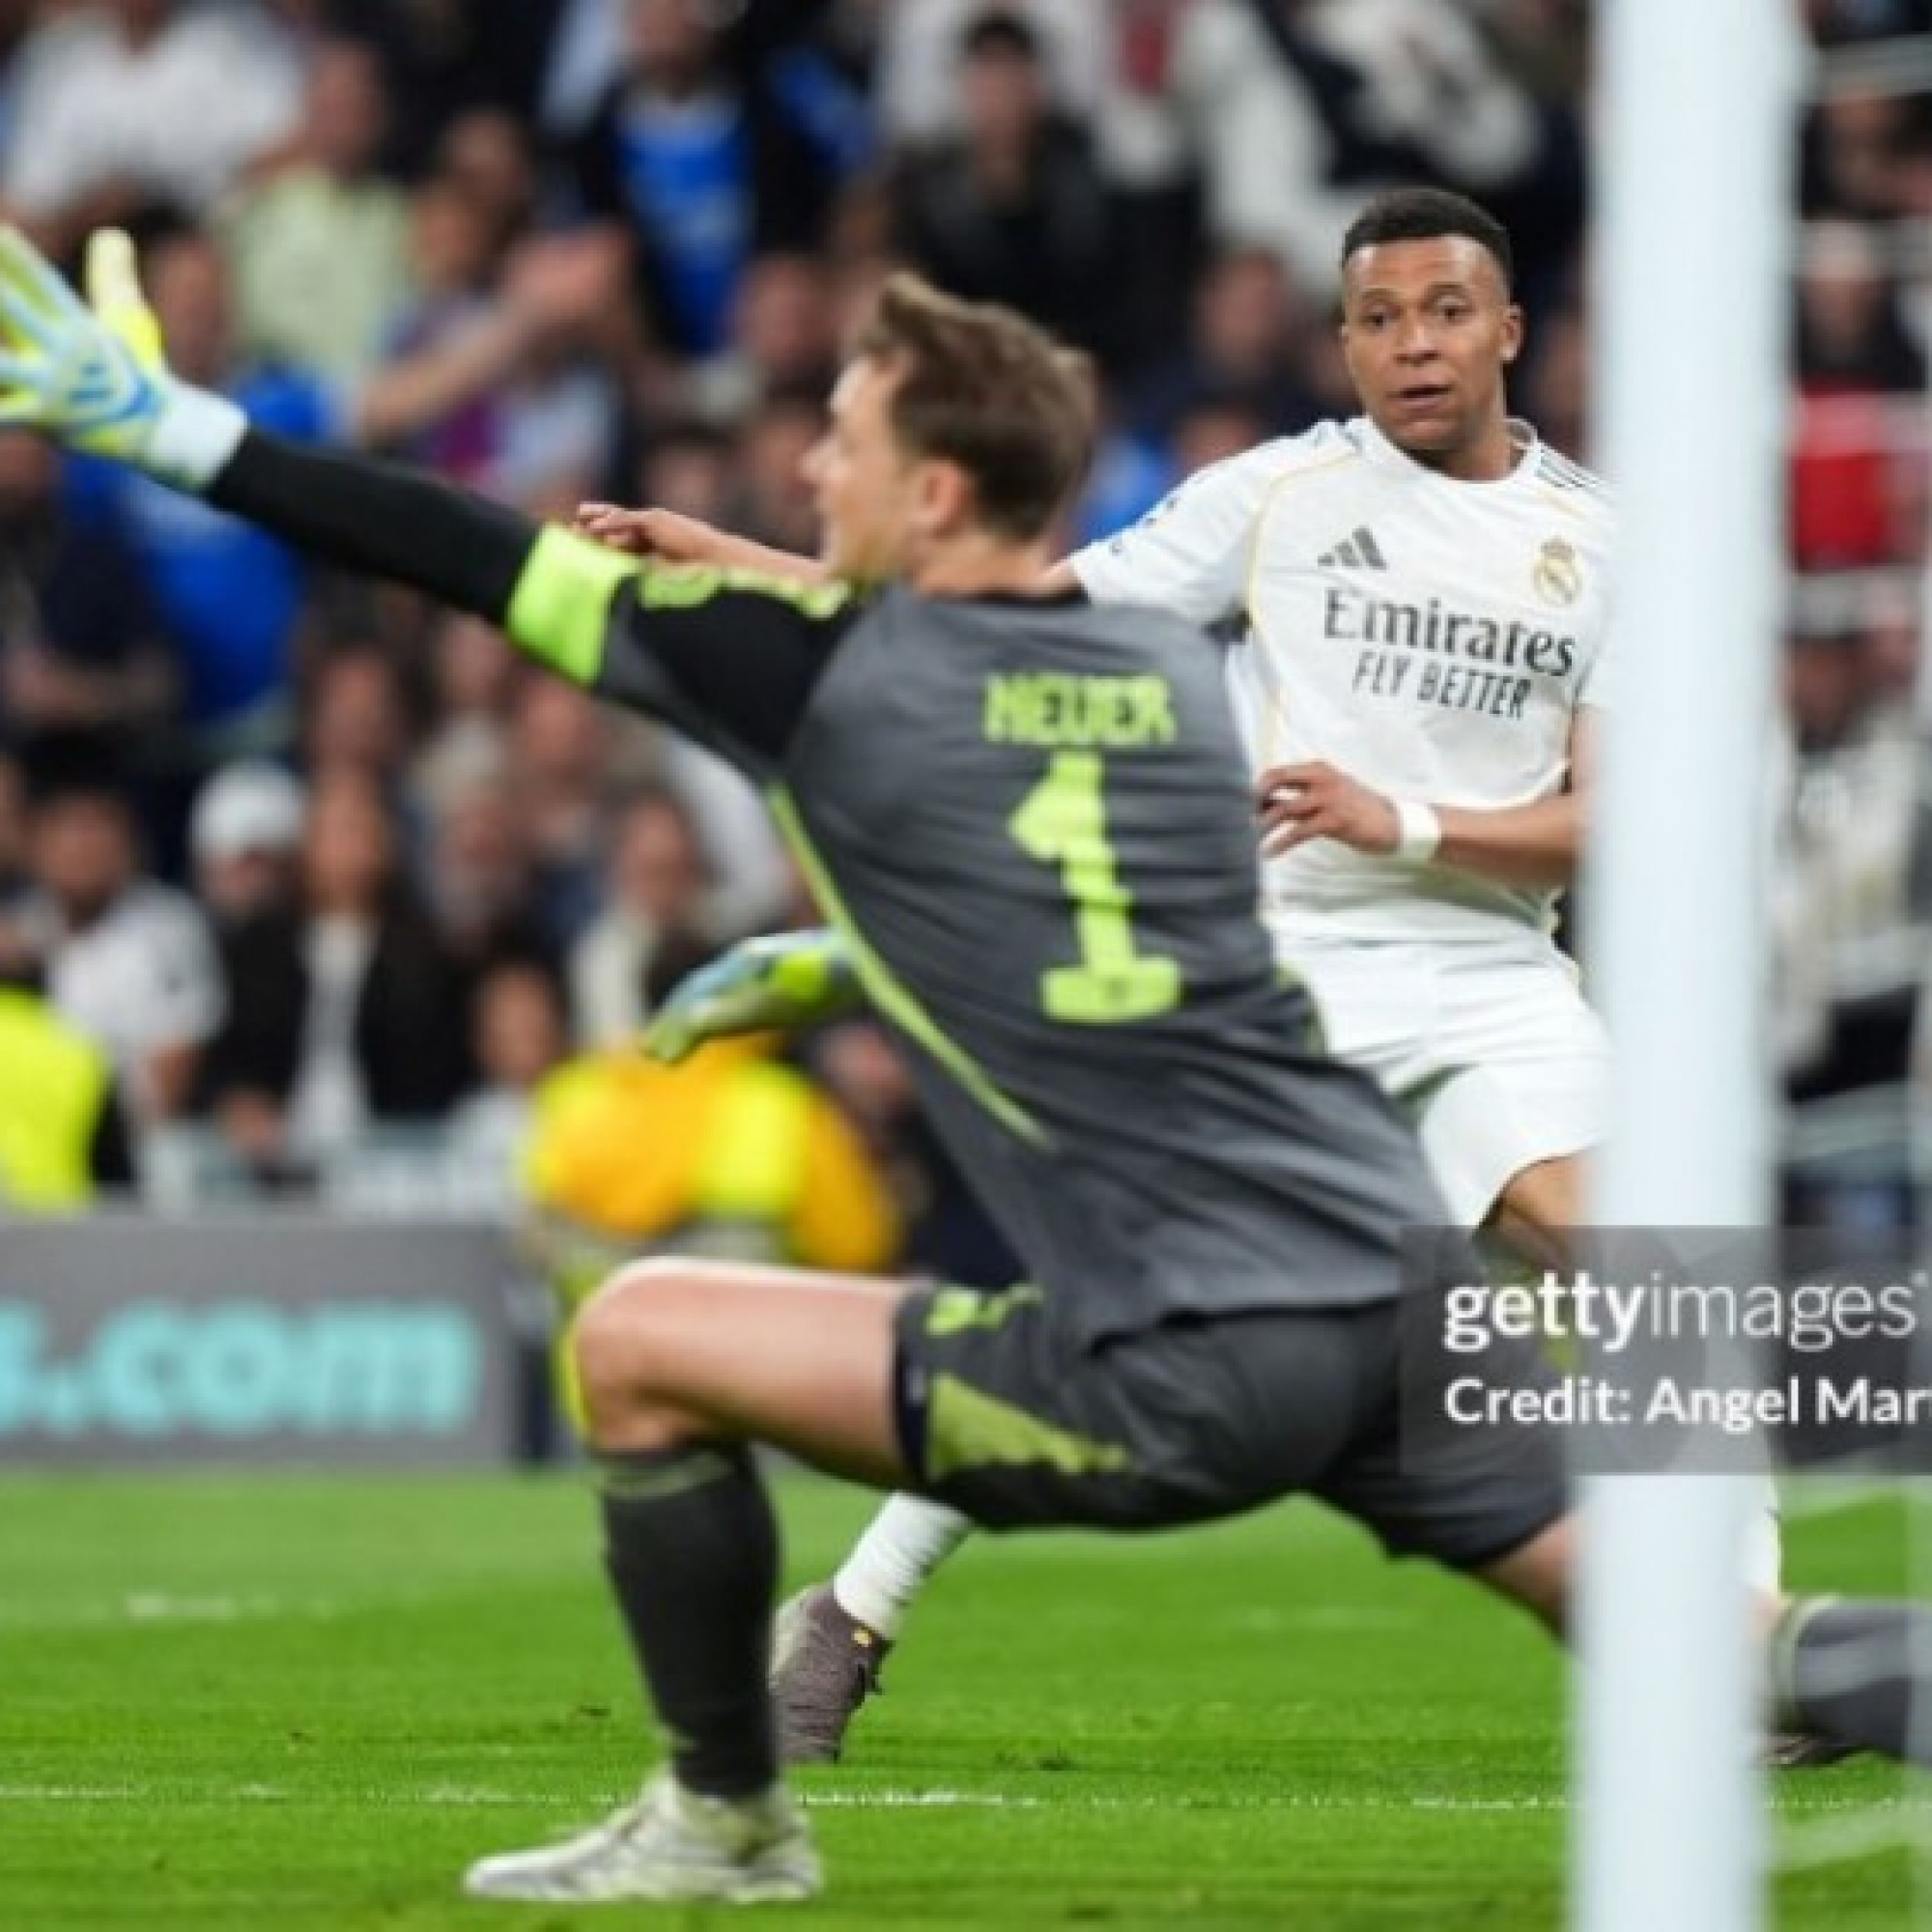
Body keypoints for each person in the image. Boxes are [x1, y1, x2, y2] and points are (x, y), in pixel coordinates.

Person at [0, 225, 1918, 1909]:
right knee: (1714, 1589)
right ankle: (1783, 1667)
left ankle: (743, 1779)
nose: (812, 459)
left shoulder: (895, 684)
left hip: (1283, 1221)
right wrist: (835, 928)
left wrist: (174, 429)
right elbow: (1054, 709)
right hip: (1342, 1255)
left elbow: (472, 551)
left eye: (840, 441)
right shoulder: (1193, 657)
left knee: (664, 1338)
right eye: (1370, 315)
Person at [580, 186, 1785, 1765]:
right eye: (1377, 319)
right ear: (1343, 341)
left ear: (1507, 329)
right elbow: (995, 615)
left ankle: (1748, 1666)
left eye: (1442, 312)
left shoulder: (1604, 542)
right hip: (1278, 976)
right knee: (1118, 1319)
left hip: (1489, 975)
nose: (1411, 345)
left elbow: (1605, 824)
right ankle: (850, 1619)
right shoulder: (1271, 499)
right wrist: (732, 563)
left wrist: (1403, 816)